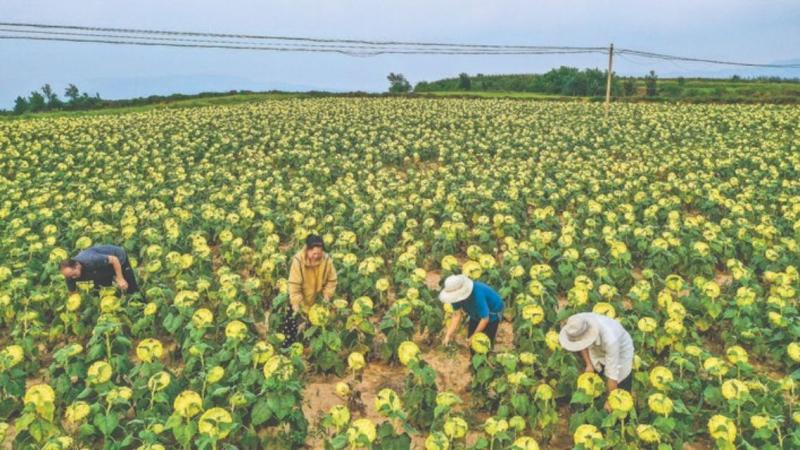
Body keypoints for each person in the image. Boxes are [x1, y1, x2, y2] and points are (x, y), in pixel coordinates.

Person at [559, 312, 635, 409]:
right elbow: (581, 343)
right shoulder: (578, 323)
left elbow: (612, 374)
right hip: (597, 348)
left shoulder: (611, 339)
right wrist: (589, 364)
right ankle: (597, 404)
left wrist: (610, 400)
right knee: (597, 379)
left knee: (621, 393)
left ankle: (624, 420)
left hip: (620, 353)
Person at [280, 234, 337, 345]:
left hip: (316, 301)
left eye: (319, 253)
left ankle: (308, 352)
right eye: (314, 253)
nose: (316, 256)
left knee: (312, 331)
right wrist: (296, 304)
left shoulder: (327, 261)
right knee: (291, 328)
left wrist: (327, 296)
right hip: (300, 301)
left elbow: (332, 280)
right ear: (307, 250)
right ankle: (287, 350)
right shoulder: (298, 260)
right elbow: (294, 284)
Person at [439, 274, 504, 350]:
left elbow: (485, 318)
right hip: (475, 313)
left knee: (485, 342)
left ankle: (486, 358)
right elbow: (456, 315)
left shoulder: (477, 294)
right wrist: (448, 334)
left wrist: (474, 336)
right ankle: (473, 360)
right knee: (471, 340)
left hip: (492, 313)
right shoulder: (455, 297)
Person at [60, 244, 141, 296]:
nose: (73, 278)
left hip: (117, 257)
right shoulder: (69, 275)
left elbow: (114, 260)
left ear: (77, 266)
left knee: (130, 287)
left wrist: (120, 278)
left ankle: (138, 299)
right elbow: (73, 294)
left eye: (73, 274)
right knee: (102, 292)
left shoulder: (91, 259)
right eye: (70, 277)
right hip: (99, 268)